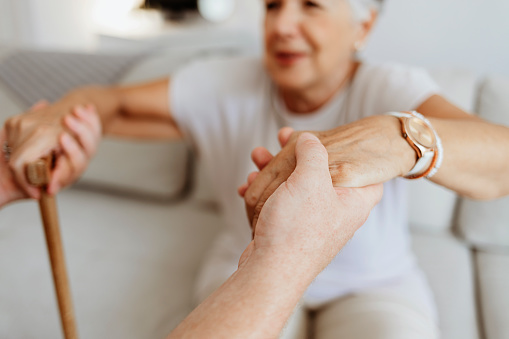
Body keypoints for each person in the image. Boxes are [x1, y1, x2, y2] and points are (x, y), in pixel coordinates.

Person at [2, 0, 509, 337]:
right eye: (272, 5)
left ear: (364, 25)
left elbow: (501, 163)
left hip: (375, 284)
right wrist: (52, 119)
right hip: (244, 263)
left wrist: (398, 136)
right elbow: (109, 104)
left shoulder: (391, 85)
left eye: (309, 4)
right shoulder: (221, 82)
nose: (283, 24)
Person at [168, 132, 382, 338]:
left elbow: (417, 117)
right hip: (242, 263)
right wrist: (279, 253)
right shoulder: (221, 99)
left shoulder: (384, 94)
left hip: (374, 282)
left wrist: (402, 128)